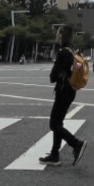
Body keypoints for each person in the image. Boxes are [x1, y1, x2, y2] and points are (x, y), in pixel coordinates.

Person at [39, 25, 88, 166]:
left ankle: (76, 144)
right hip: (70, 90)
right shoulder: (72, 51)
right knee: (58, 123)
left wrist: (55, 70)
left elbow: (53, 76)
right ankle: (55, 155)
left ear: (61, 36)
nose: (56, 35)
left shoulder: (62, 53)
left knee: (54, 124)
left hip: (63, 91)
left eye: (58, 33)